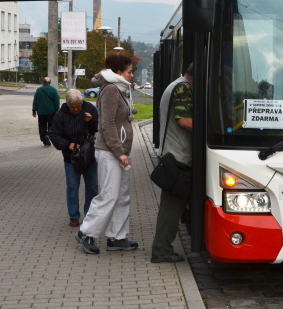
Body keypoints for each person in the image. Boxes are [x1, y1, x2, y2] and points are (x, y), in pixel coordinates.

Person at [75, 54, 137, 255]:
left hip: (119, 152)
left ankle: (117, 237)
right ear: (118, 73)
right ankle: (86, 232)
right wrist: (119, 152)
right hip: (111, 152)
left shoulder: (118, 89)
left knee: (121, 196)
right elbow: (107, 124)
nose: (132, 75)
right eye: (129, 71)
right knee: (109, 195)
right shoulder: (111, 89)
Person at [151, 64, 194, 263]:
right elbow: (184, 120)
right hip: (178, 158)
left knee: (174, 206)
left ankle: (163, 247)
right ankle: (161, 250)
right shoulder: (183, 88)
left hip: (174, 155)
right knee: (171, 208)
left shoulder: (176, 85)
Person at [49, 89, 99, 228]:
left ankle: (90, 214)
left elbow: (98, 126)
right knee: (72, 187)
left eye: (78, 106)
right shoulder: (60, 115)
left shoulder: (88, 107)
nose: (76, 109)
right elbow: (53, 134)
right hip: (71, 157)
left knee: (93, 187)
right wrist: (68, 144)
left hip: (89, 155)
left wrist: (91, 120)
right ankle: (74, 216)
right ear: (68, 104)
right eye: (73, 107)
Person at [32, 76, 60, 147]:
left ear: (43, 82)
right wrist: (57, 110)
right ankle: (48, 135)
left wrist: (34, 110)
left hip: (41, 112)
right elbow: (56, 101)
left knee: (42, 127)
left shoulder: (39, 90)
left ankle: (44, 140)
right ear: (50, 83)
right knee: (52, 126)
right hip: (51, 112)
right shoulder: (53, 90)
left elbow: (35, 101)